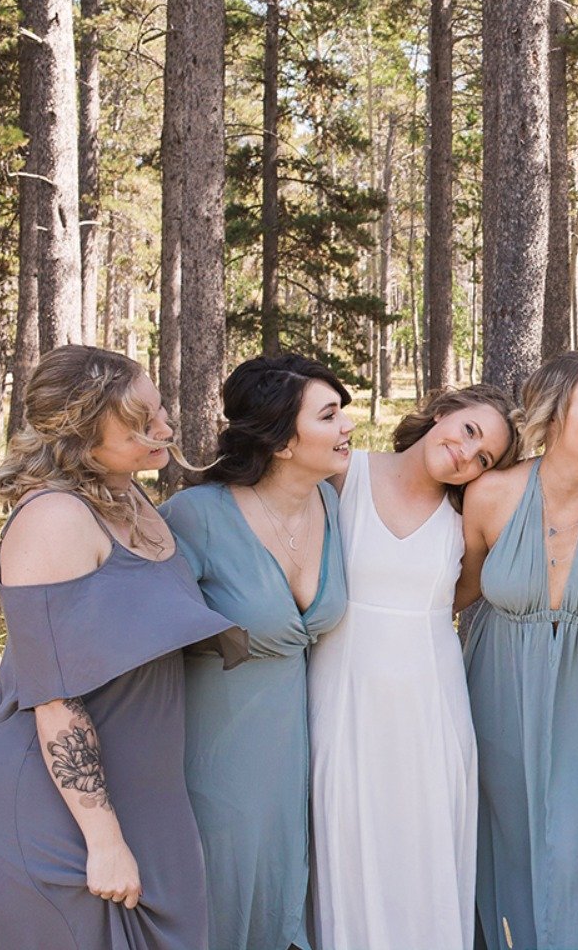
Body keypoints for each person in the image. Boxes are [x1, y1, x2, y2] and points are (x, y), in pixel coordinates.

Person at [0, 345, 245, 950]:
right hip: (61, 816)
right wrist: (105, 841)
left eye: (159, 410)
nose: (166, 428)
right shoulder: (53, 518)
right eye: (140, 422)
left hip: (149, 803)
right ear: (79, 431)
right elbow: (53, 700)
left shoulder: (131, 499)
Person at [308, 384, 519, 950]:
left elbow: (464, 592)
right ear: (444, 410)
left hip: (430, 701)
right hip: (343, 692)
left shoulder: (464, 514)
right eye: (469, 431)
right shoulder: (342, 474)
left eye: (484, 459)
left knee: (422, 844)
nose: (465, 455)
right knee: (346, 841)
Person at [158, 354, 352, 950]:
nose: (348, 425)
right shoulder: (197, 516)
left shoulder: (335, 506)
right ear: (282, 439)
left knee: (282, 893)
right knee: (220, 894)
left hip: (297, 748)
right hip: (214, 748)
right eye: (329, 415)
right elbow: (141, 628)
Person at [461, 351, 578, 950]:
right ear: (553, 410)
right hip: (496, 684)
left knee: (577, 837)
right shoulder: (490, 493)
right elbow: (455, 593)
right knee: (502, 833)